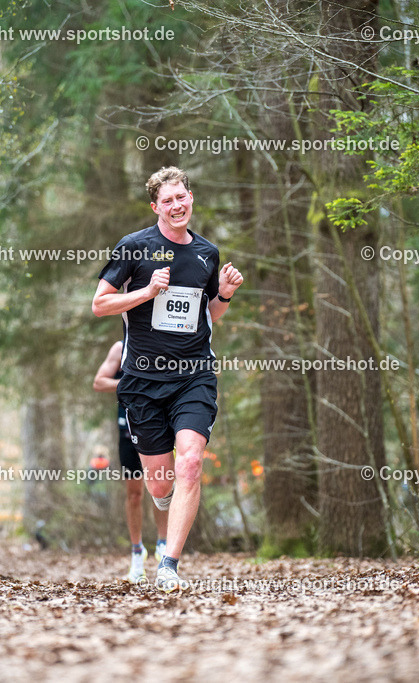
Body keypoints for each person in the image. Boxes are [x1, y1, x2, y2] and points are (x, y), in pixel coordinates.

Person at [92, 166, 243, 592]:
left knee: (191, 460)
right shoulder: (135, 247)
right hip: (141, 381)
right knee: (159, 483)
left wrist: (225, 294)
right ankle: (165, 505)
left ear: (190, 199)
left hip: (193, 374)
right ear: (156, 207)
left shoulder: (206, 254)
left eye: (183, 197)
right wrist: (146, 292)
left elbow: (207, 315)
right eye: (168, 201)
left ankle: (169, 564)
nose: (177, 206)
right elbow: (100, 304)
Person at [94, 340, 170, 583]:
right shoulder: (120, 347)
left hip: (159, 427)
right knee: (135, 494)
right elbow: (99, 382)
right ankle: (137, 553)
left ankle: (163, 546)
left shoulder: (164, 342)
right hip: (128, 430)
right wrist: (131, 384)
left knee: (161, 491)